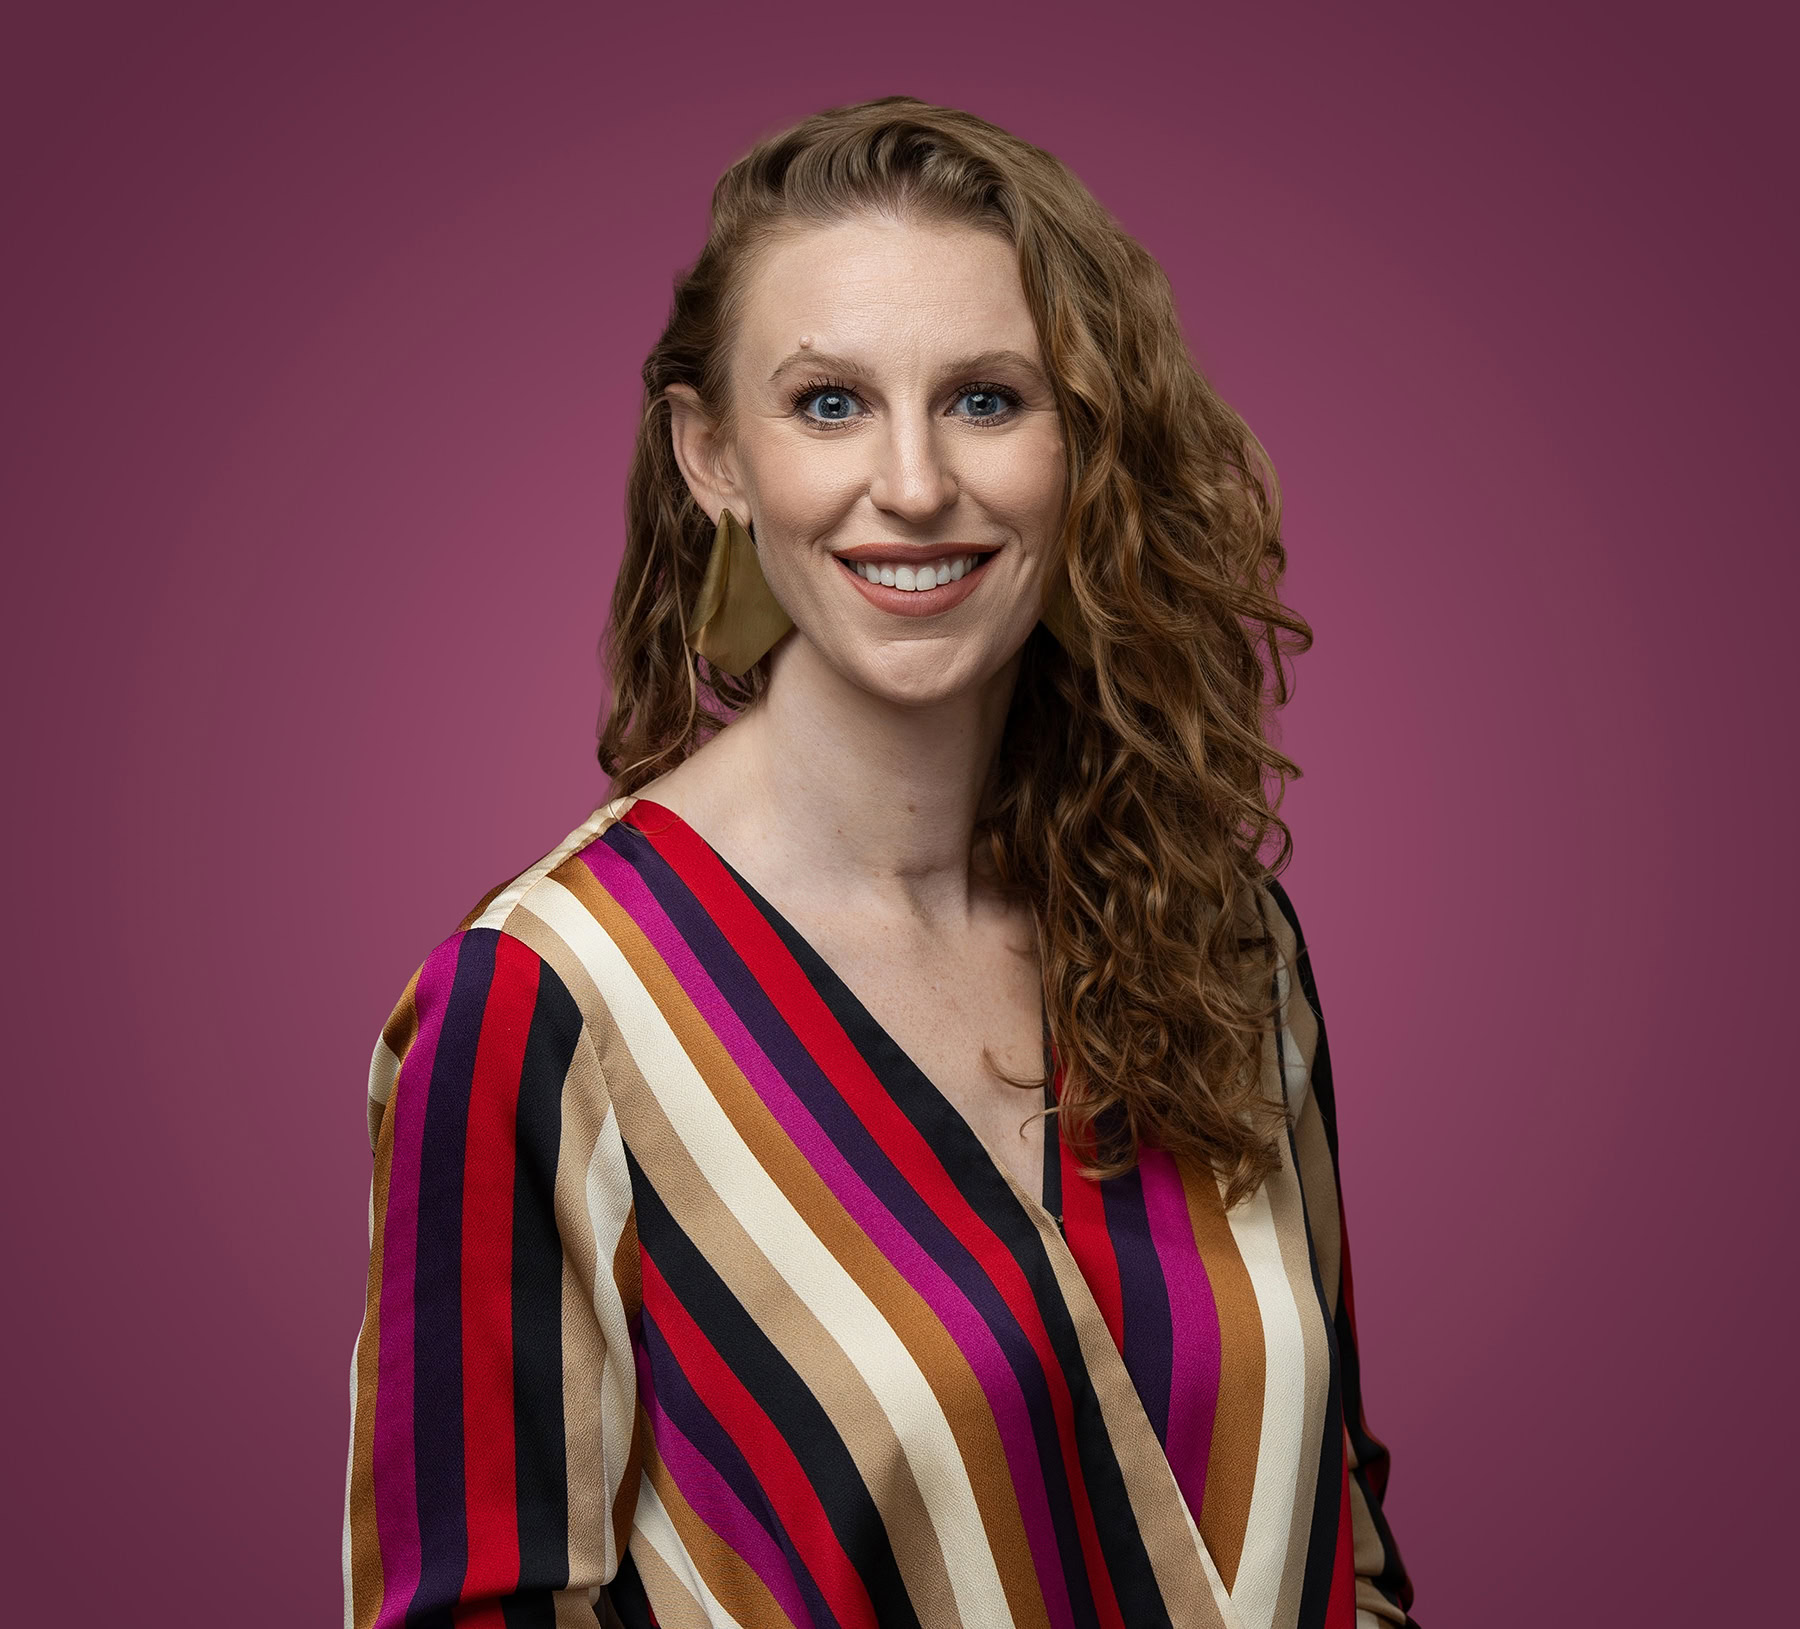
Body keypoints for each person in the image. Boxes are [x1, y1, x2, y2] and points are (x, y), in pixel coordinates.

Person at [343, 95, 1418, 1629]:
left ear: (1081, 449)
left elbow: (1340, 1547)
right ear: (712, 455)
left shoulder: (1223, 938)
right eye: (830, 404)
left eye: (987, 399)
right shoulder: (546, 1005)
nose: (913, 485)